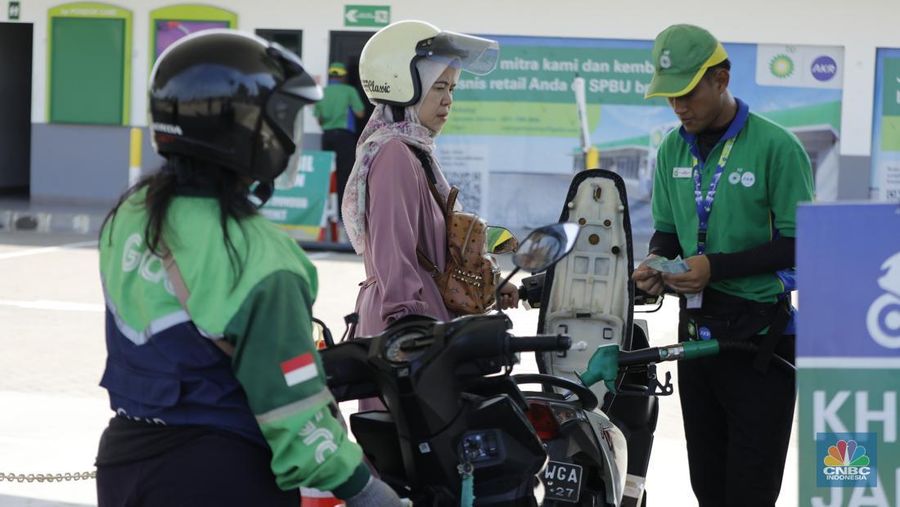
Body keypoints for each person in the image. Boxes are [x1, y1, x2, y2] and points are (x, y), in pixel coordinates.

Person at [94, 30, 403, 507]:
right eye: (282, 119)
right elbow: (296, 412)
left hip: (122, 463)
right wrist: (368, 492)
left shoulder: (130, 215)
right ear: (242, 129)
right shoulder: (262, 258)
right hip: (219, 473)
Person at [632, 24, 813, 507]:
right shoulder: (672, 149)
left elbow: (801, 244)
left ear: (721, 78)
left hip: (761, 344)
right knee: (708, 488)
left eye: (688, 92)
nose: (678, 106)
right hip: (696, 340)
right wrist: (655, 264)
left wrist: (715, 267)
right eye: (670, 96)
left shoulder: (777, 147)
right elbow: (667, 231)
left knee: (750, 493)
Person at [341, 19, 520, 343]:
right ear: (405, 86)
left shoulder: (416, 153)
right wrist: (407, 328)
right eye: (439, 87)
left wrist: (490, 282)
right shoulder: (394, 155)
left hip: (427, 324)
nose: (448, 100)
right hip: (408, 332)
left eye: (452, 89)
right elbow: (394, 252)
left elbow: (438, 250)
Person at [314, 61, 366, 221]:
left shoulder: (321, 92)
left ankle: (325, 213)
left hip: (327, 137)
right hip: (344, 137)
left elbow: (319, 120)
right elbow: (360, 114)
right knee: (345, 175)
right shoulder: (349, 90)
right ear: (343, 76)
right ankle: (342, 214)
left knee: (328, 174)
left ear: (330, 75)